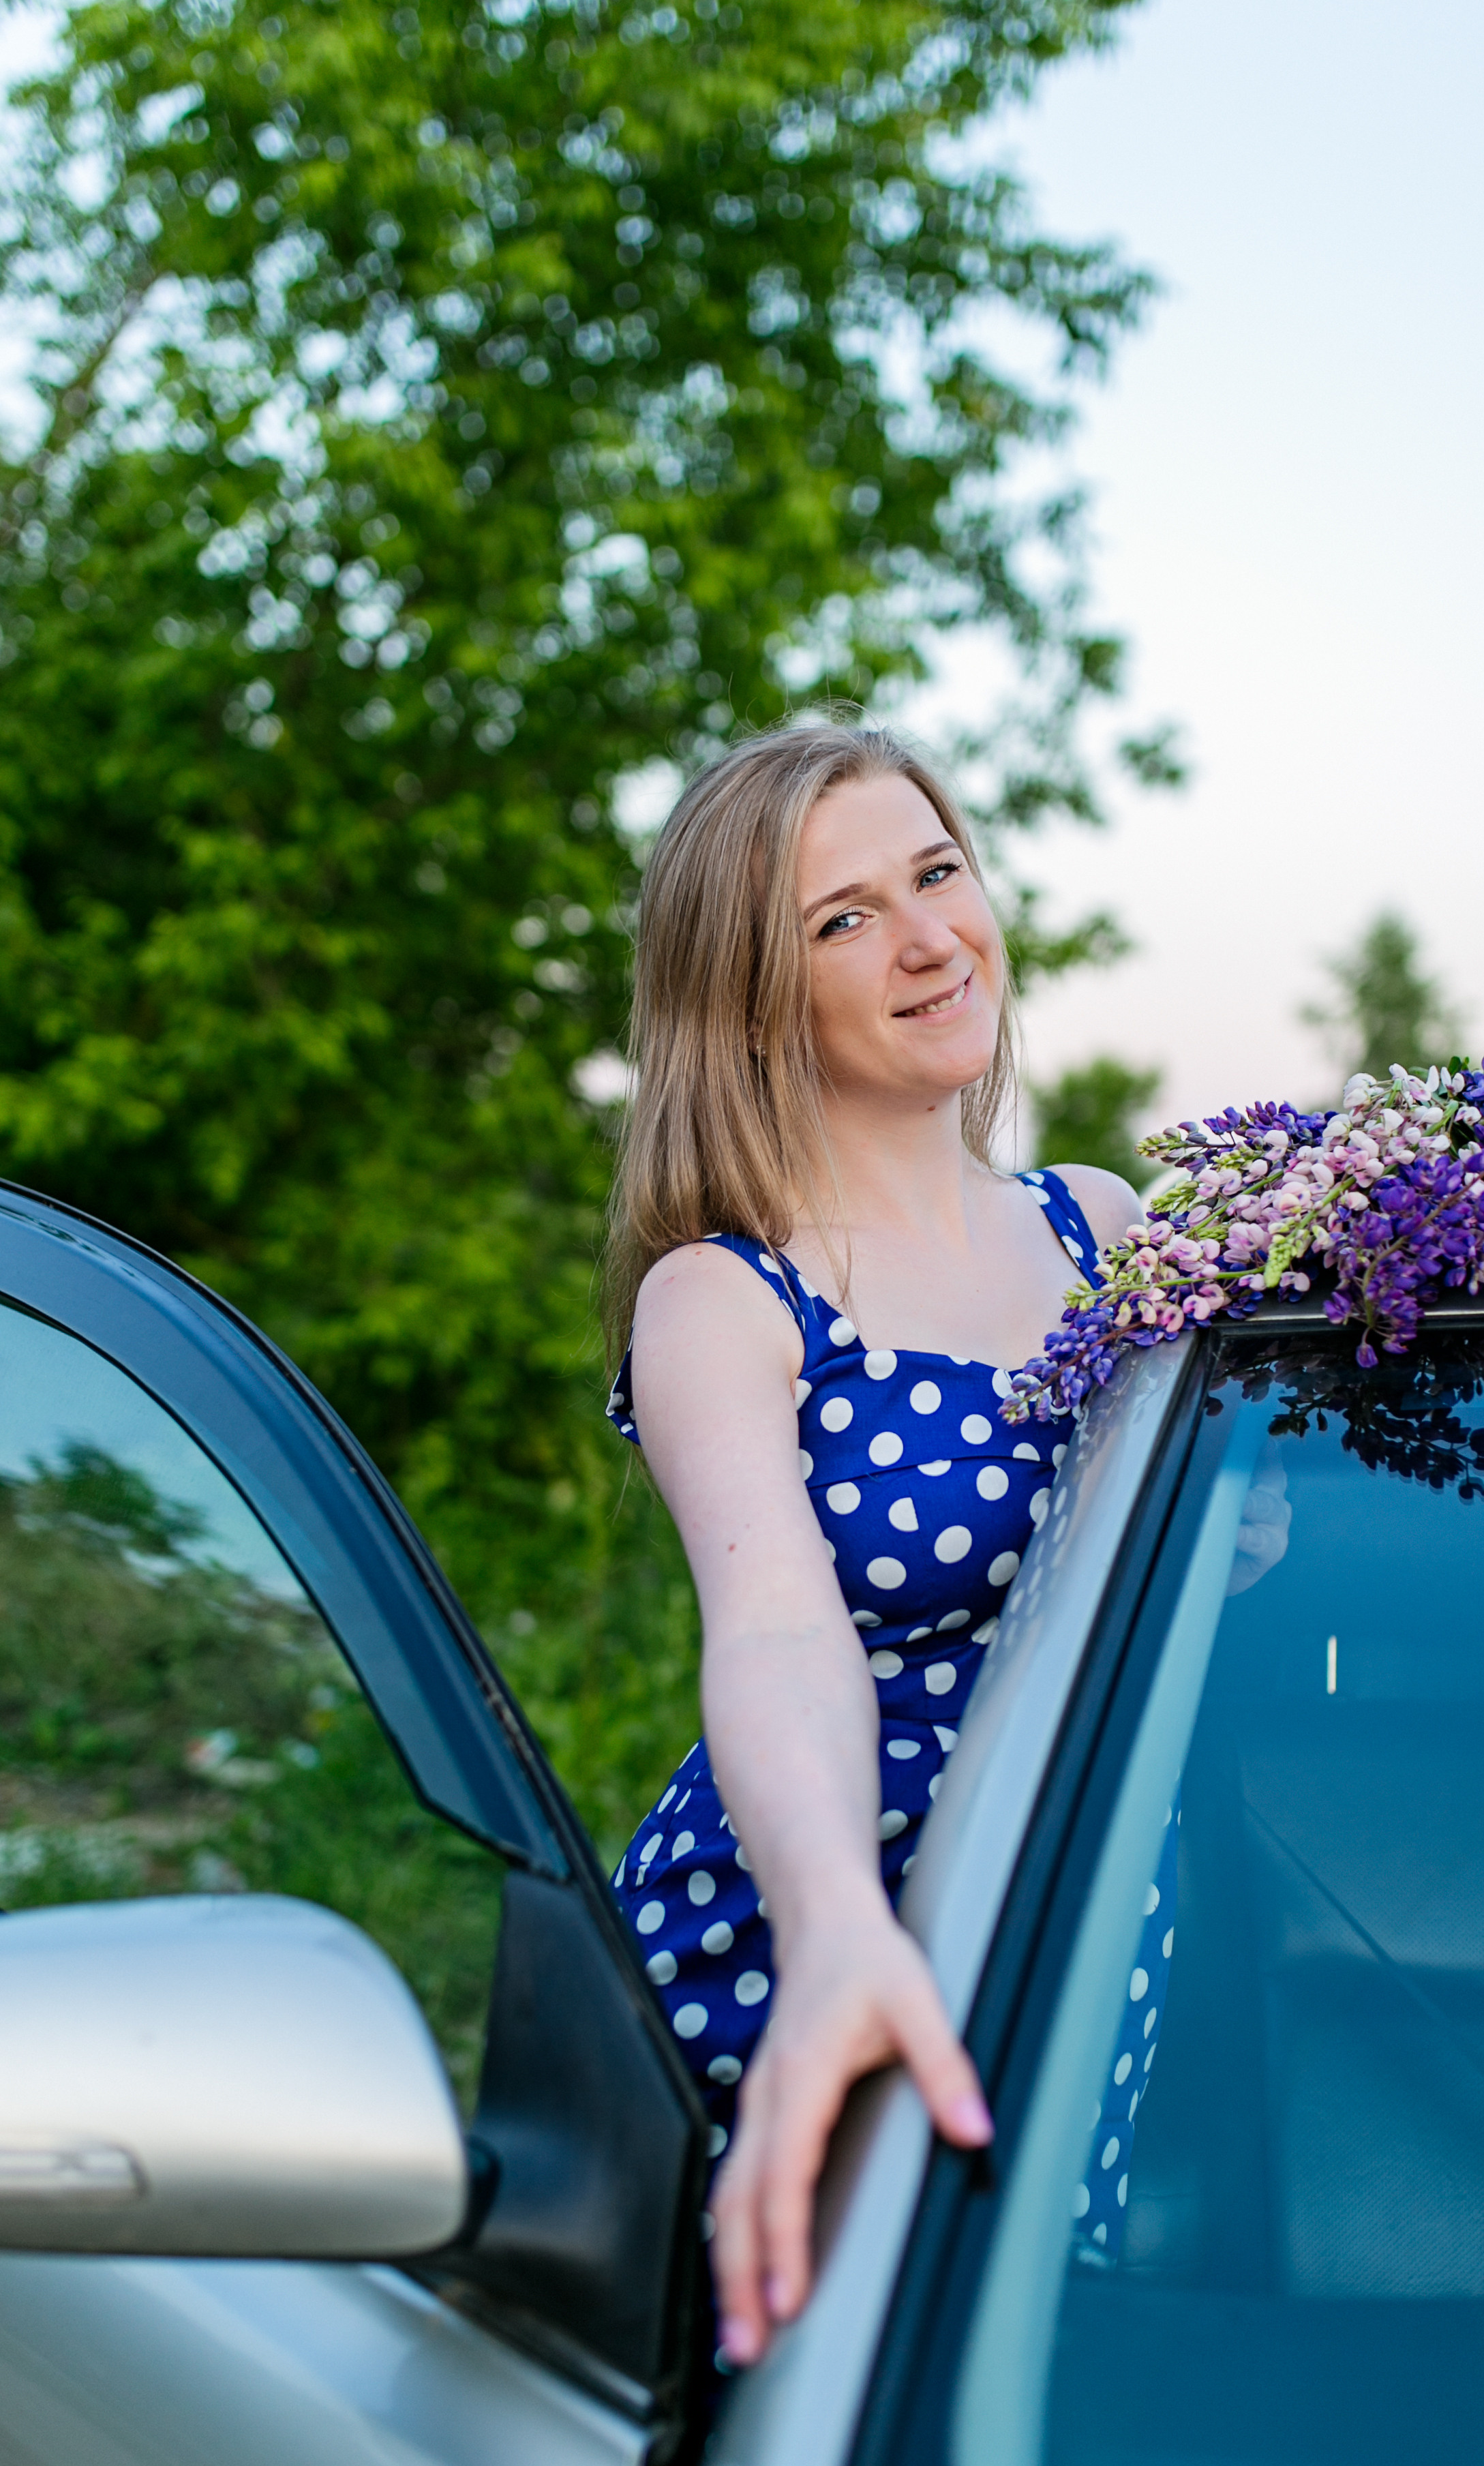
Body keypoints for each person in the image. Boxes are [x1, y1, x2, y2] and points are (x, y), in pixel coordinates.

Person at [602, 719, 1138, 2369]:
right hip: (806, 1941)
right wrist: (838, 1916)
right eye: (842, 919)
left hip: (1078, 1908)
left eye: (936, 873)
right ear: (754, 995)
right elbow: (772, 1623)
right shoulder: (721, 1294)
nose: (925, 939)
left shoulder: (1105, 1227)